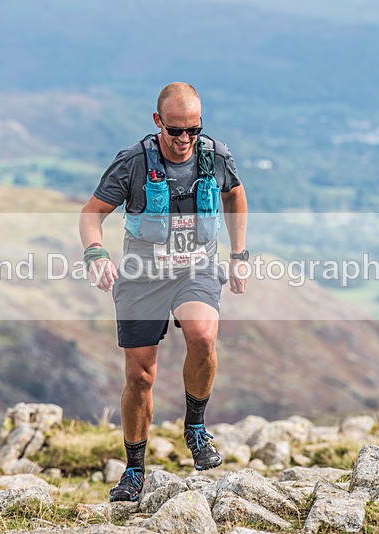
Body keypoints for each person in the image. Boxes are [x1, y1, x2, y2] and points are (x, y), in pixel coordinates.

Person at [79, 82, 248, 502]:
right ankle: (134, 471)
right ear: (158, 122)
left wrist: (240, 252)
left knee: (203, 335)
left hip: (197, 267)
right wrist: (96, 254)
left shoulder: (214, 156)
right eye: (176, 130)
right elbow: (91, 214)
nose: (185, 140)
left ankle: (195, 428)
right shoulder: (132, 164)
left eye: (194, 129)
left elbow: (235, 195)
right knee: (140, 377)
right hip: (142, 275)